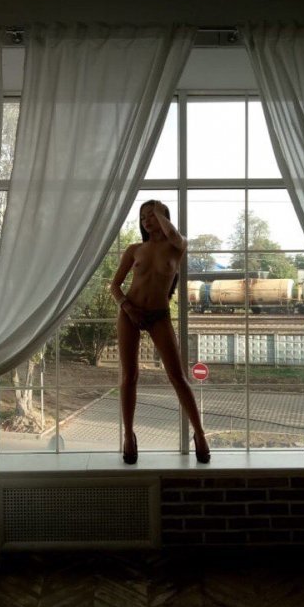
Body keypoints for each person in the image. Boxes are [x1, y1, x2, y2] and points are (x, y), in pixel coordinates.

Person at [110, 199, 211, 464]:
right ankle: (129, 436)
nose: (147, 219)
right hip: (130, 313)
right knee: (130, 376)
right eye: (143, 216)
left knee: (178, 377)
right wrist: (128, 308)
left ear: (165, 217)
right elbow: (115, 286)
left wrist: (158, 210)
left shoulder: (177, 246)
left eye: (152, 214)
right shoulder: (134, 249)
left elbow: (175, 236)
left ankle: (200, 434)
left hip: (159, 316)